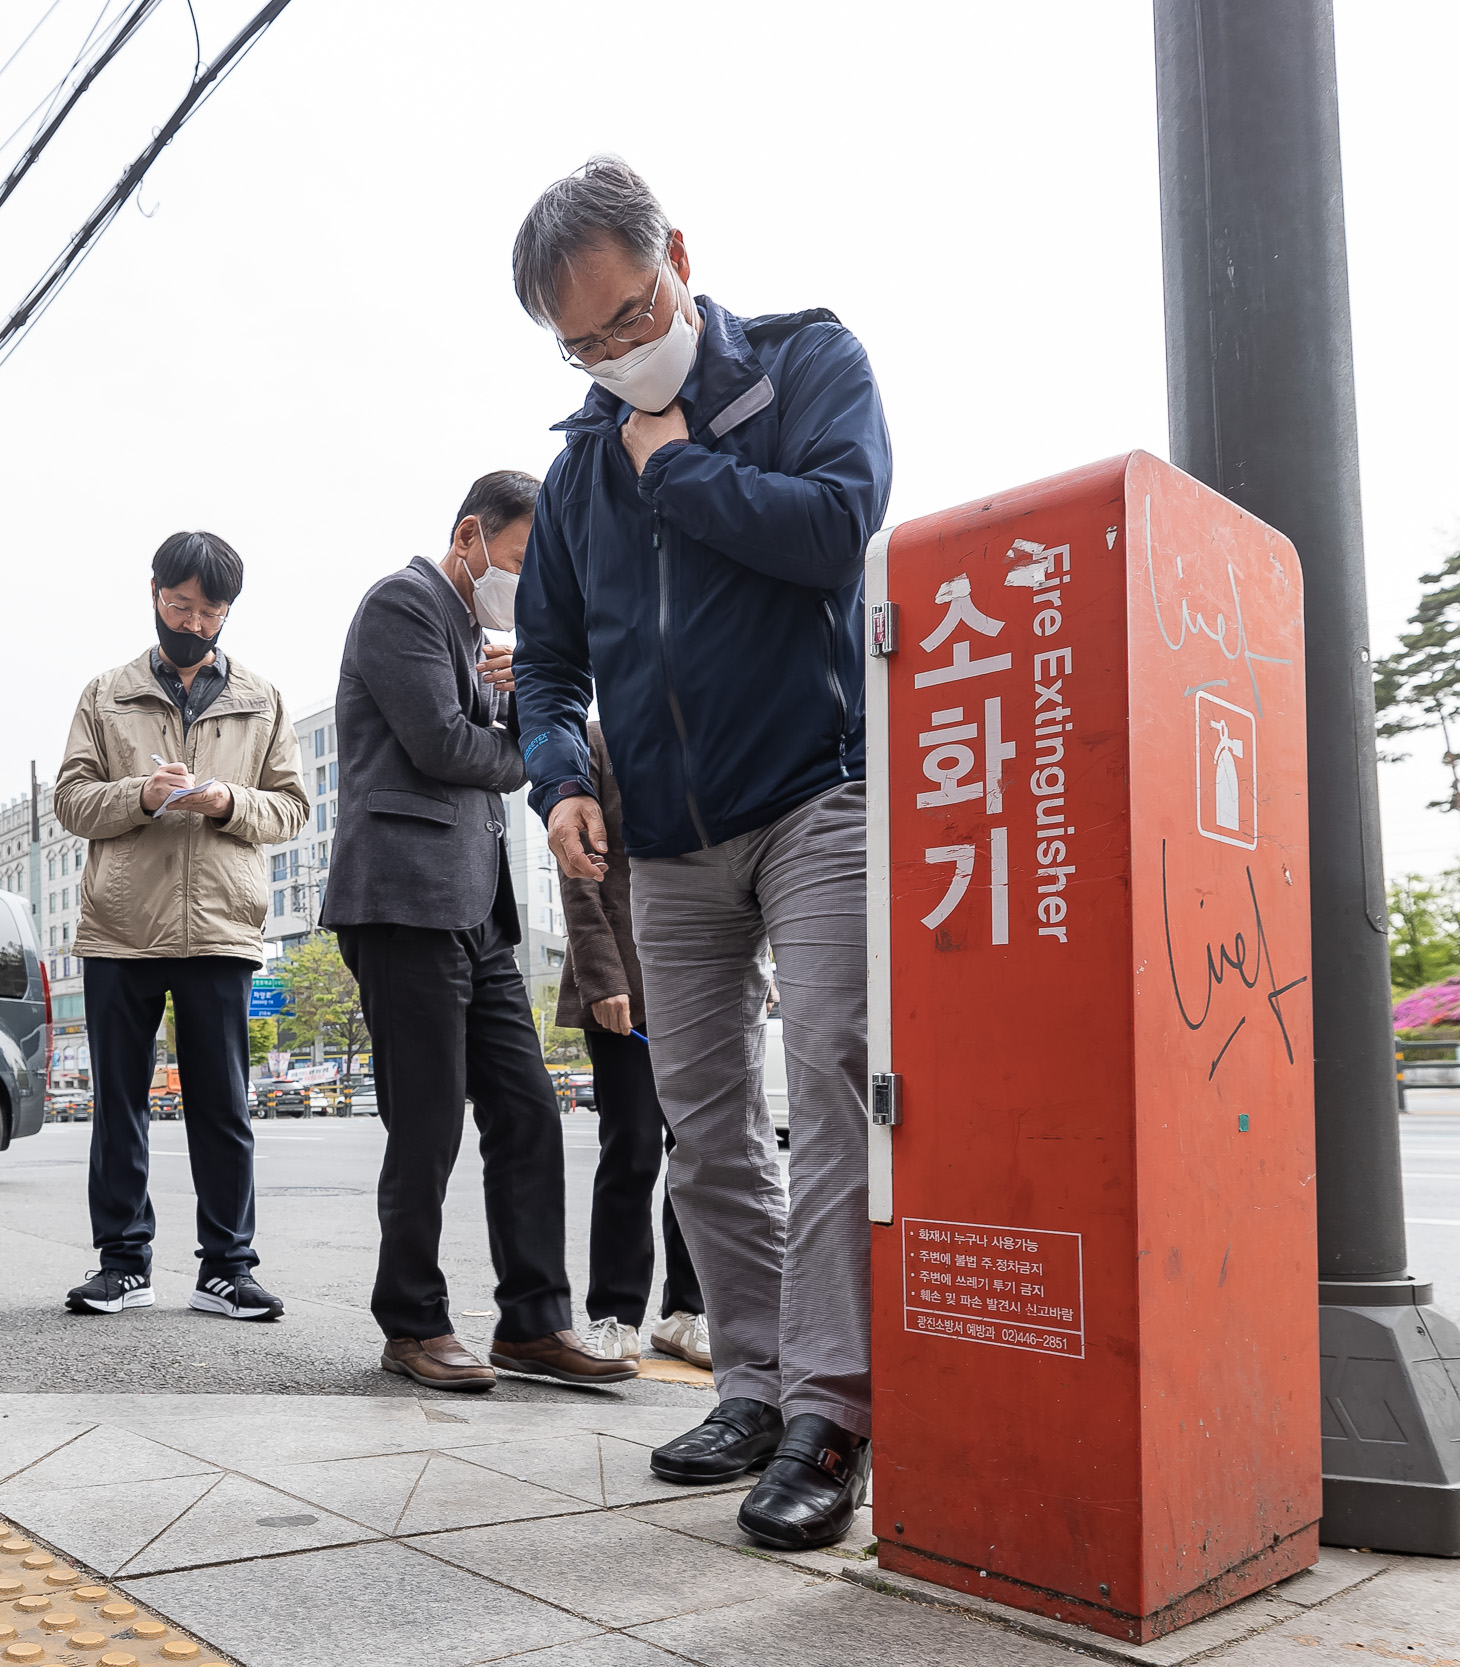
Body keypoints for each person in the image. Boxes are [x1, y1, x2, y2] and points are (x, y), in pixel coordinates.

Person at [510, 157, 892, 1548]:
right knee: (705, 1125)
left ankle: (833, 1409)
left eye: (632, 315)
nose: (619, 355)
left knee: (834, 1079)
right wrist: (557, 780)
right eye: (587, 344)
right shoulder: (572, 470)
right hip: (665, 838)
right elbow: (545, 668)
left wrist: (680, 469)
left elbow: (839, 527)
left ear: (675, 250)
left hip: (816, 794)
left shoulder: (801, 366)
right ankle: (750, 1379)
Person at [323, 469, 635, 1393]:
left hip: (474, 910)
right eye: (520, 560)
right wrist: (532, 748)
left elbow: (482, 719)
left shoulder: (476, 634)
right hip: (402, 900)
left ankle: (533, 1323)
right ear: (470, 537)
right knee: (425, 1122)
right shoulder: (402, 604)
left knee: (529, 1112)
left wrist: (511, 694)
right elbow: (442, 746)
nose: (527, 584)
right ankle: (412, 1322)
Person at [53, 532, 309, 1321]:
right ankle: (123, 1262)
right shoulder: (106, 693)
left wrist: (227, 802)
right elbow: (69, 800)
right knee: (120, 1102)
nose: (193, 622)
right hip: (121, 926)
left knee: (222, 1104)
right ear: (154, 591)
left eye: (210, 611)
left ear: (228, 612)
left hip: (223, 928)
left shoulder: (263, 699)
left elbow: (293, 808)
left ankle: (227, 1266)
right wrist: (140, 793)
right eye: (180, 604)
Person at [557, 721, 708, 1369]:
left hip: (706, 976)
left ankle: (690, 1311)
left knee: (703, 1152)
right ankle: (614, 1312)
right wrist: (602, 973)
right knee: (634, 1147)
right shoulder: (595, 738)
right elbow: (579, 869)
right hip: (627, 983)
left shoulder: (717, 728)